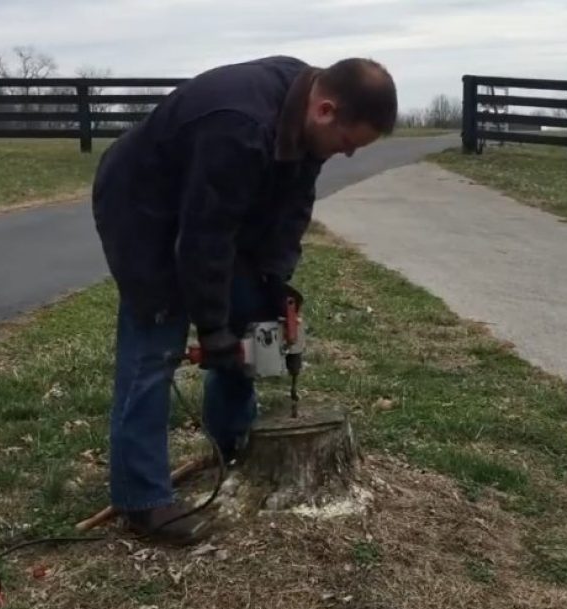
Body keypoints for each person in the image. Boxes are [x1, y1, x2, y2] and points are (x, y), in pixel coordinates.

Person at [91, 55, 397, 545]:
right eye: (347, 143)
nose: (348, 155)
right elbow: (204, 238)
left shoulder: (305, 109)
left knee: (253, 323)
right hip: (144, 207)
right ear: (325, 110)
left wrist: (273, 283)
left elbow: (292, 207)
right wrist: (212, 330)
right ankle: (142, 499)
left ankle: (234, 445)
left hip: (212, 209)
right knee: (154, 345)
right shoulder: (240, 123)